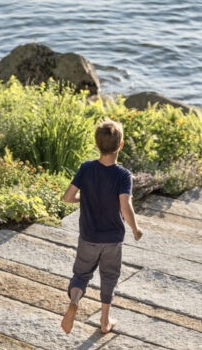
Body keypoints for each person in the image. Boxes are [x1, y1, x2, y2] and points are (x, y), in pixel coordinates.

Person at [61, 118, 143, 335]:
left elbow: (68, 197)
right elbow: (125, 206)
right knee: (109, 277)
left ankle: (75, 301)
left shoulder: (86, 168)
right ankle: (105, 321)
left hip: (88, 236)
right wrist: (135, 229)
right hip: (112, 239)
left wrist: (83, 198)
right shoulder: (123, 175)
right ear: (121, 145)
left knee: (81, 275)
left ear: (96, 144)